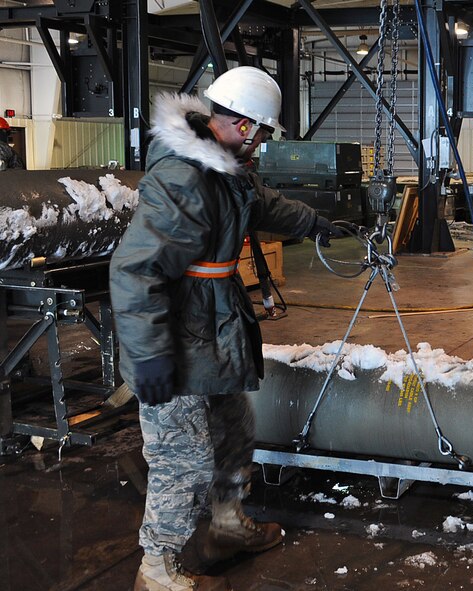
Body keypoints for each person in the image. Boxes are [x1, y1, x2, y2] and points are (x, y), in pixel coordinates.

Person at [110, 66, 345, 591]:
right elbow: (135, 270)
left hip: (211, 324)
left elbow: (261, 204)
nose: (262, 142)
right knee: (183, 457)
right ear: (239, 124)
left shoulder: (225, 166)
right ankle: (156, 568)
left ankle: (226, 525)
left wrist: (316, 224)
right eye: (260, 132)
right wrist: (148, 355)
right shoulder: (182, 179)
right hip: (173, 336)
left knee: (235, 428)